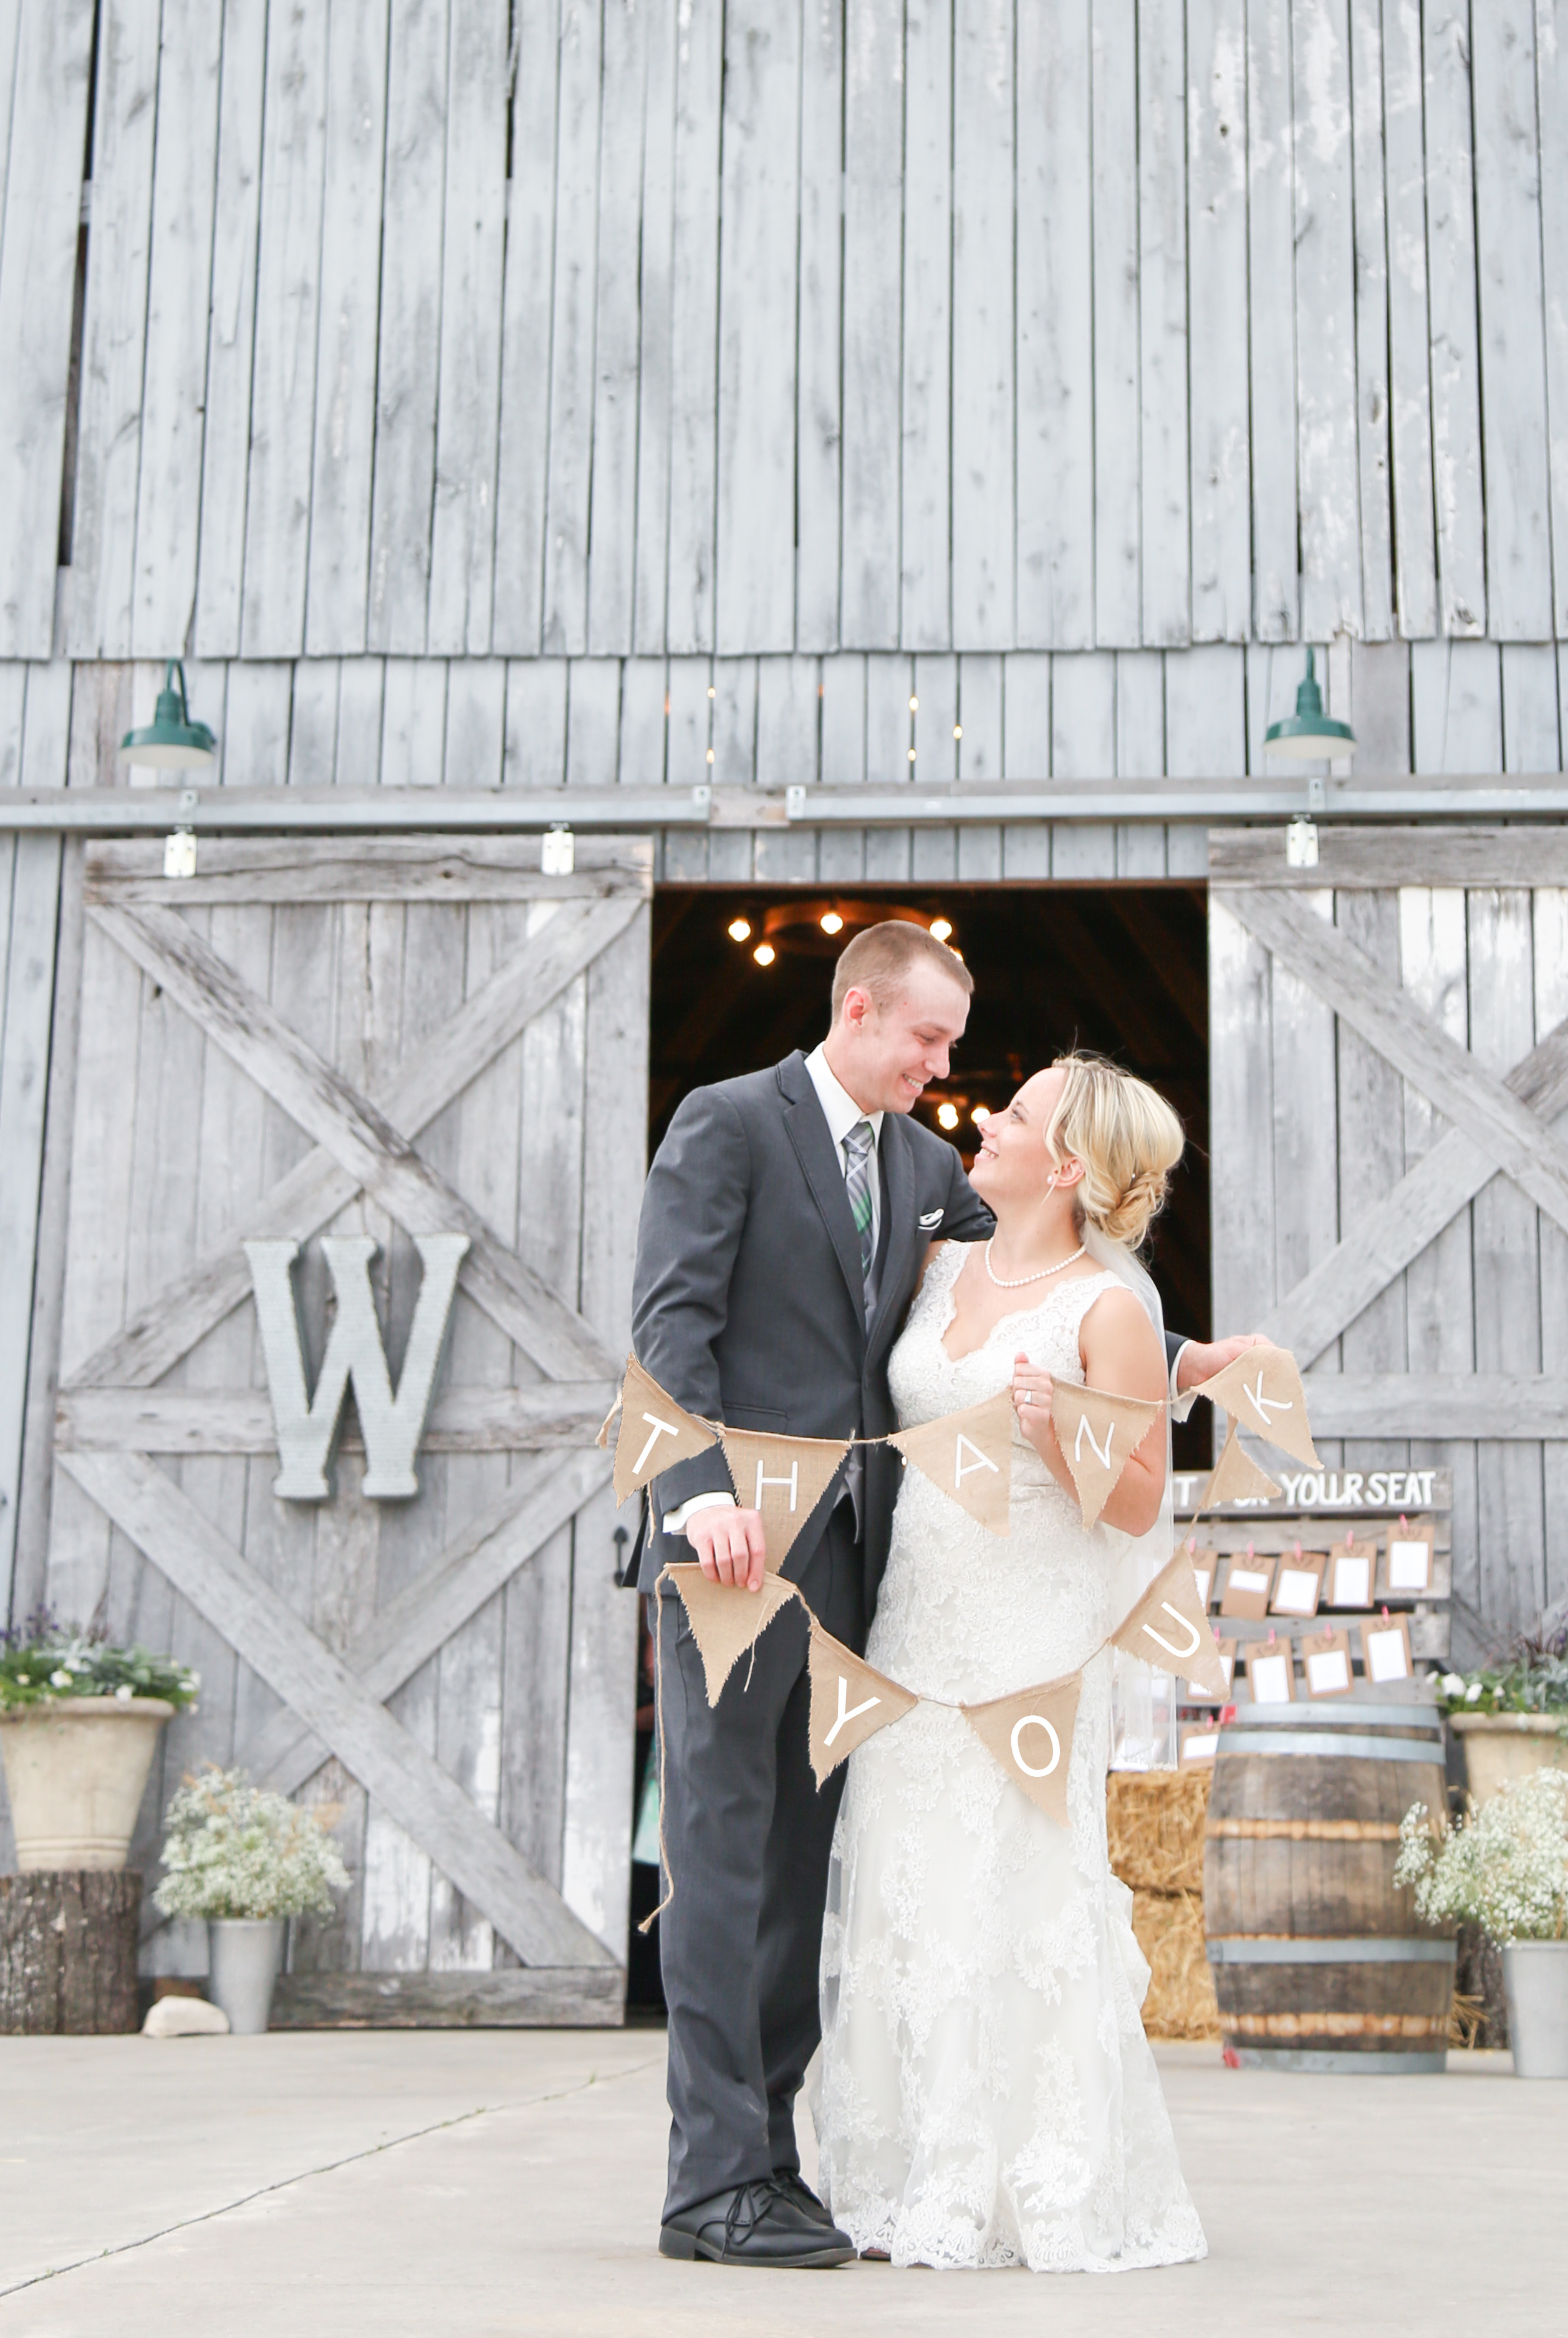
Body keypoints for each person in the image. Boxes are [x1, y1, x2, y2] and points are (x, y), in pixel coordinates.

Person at [631, 928, 1256, 2271]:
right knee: (724, 1863)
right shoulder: (727, 1121)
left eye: (956, 1050)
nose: (945, 1068)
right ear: (860, 1009)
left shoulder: (927, 1177)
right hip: (732, 1561)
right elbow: (669, 1325)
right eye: (926, 1040)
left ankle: (776, 2168)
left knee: (804, 1881)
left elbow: (1060, 1279)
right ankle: (709, 2181)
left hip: (870, 1595)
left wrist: (1190, 1360)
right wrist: (698, 1493)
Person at [812, 1052, 1209, 2271]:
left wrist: (1059, 1429)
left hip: (1030, 1648)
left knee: (1017, 1901)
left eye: (1018, 1112)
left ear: (1069, 1164)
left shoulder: (1106, 1306)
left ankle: (1038, 2181)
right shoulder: (942, 1264)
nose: (985, 1117)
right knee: (907, 1891)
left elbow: (1138, 1505)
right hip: (916, 1628)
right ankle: (914, 2173)